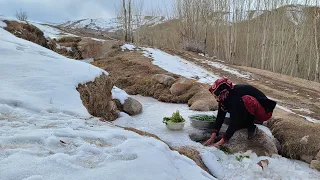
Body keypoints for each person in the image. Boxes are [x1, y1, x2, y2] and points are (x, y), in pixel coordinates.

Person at [203, 78, 277, 148]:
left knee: (246, 100)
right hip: (254, 110)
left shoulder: (235, 97)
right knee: (236, 109)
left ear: (223, 92)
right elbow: (220, 116)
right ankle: (247, 122)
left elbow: (235, 121)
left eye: (216, 96)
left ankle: (251, 127)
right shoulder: (225, 96)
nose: (216, 98)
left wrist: (221, 142)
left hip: (265, 112)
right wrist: (213, 136)